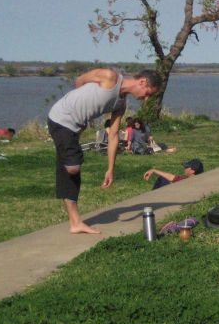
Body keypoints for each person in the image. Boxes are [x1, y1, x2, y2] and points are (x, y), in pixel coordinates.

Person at [47, 67, 161, 234]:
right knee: (72, 167)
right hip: (61, 118)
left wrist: (110, 169)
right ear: (142, 82)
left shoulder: (120, 104)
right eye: (148, 93)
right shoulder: (109, 77)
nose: (146, 99)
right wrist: (78, 104)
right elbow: (80, 80)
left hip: (74, 128)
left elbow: (113, 135)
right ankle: (75, 219)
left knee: (70, 170)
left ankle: (75, 222)